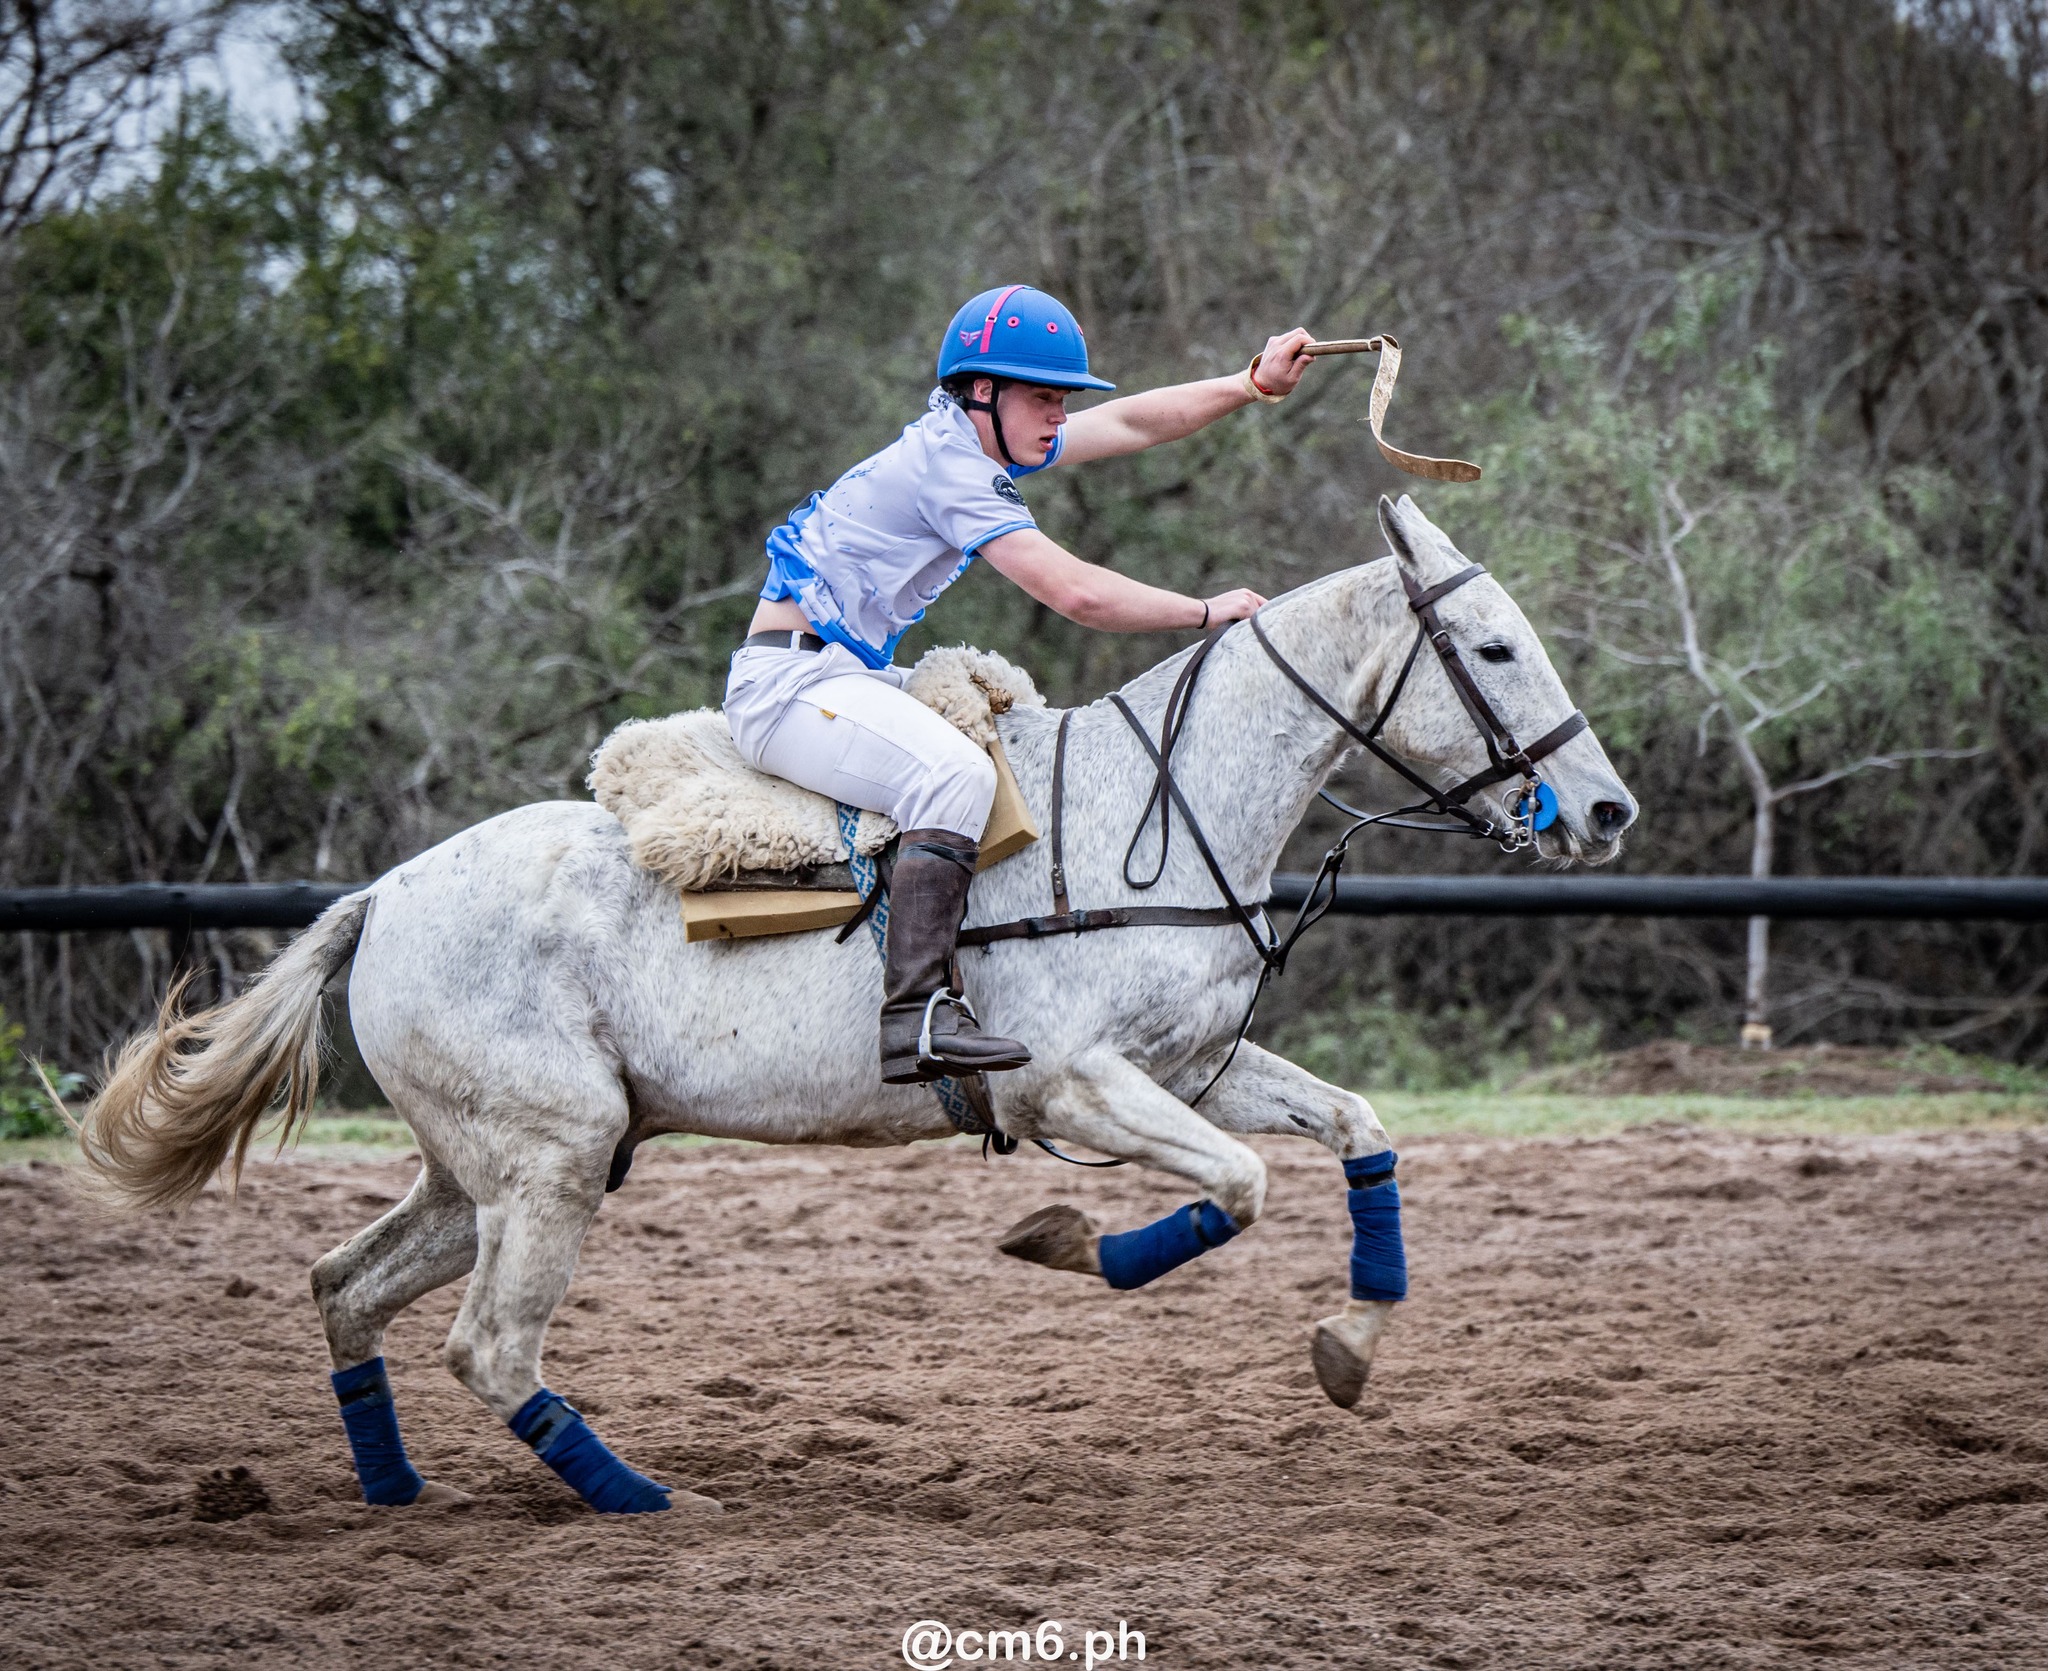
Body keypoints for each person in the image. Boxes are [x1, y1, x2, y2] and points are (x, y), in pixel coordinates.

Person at [726, 283, 1316, 1085]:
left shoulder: (970, 442)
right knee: (955, 773)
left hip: (829, 670)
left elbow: (1128, 422)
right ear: (980, 390)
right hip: (785, 689)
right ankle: (917, 1016)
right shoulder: (951, 468)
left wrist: (1249, 384)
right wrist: (1206, 609)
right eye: (1043, 398)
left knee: (1015, 742)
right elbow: (1074, 594)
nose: (1057, 416)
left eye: (1060, 400)